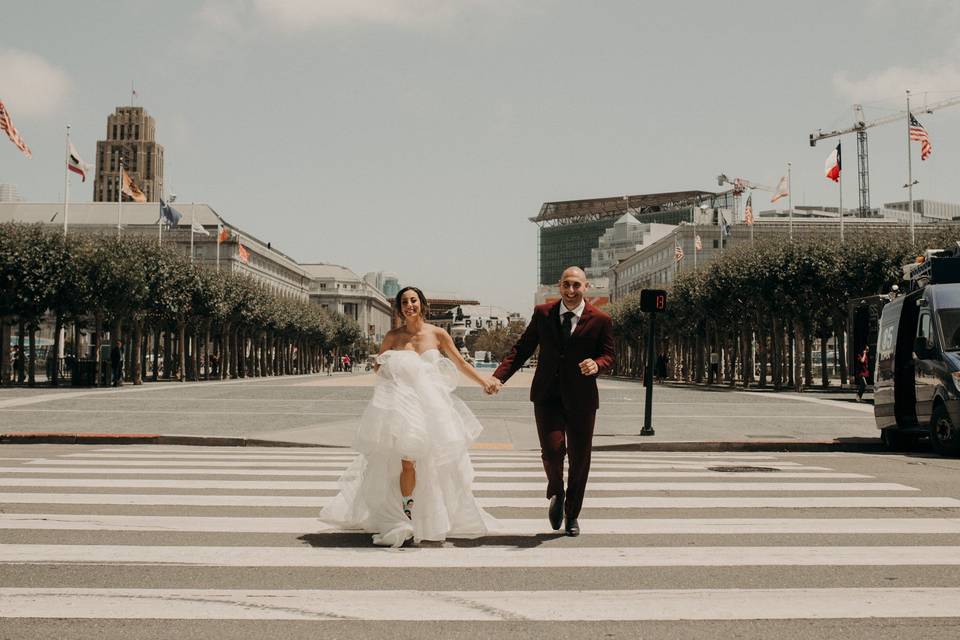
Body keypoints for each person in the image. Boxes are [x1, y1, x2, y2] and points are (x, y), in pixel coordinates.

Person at [320, 286, 500, 547]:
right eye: (404, 302)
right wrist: (388, 363)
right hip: (402, 408)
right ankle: (407, 512)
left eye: (413, 301)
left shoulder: (438, 334)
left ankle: (433, 514)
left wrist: (484, 382)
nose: (409, 306)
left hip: (433, 409)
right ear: (400, 308)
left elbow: (461, 363)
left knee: (435, 463)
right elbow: (378, 368)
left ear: (422, 304)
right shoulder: (393, 336)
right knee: (407, 461)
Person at [489, 266, 615, 537]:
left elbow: (609, 355)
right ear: (560, 285)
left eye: (576, 285)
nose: (571, 291)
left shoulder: (601, 319)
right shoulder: (543, 314)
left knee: (580, 459)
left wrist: (597, 364)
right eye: (566, 285)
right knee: (552, 451)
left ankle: (571, 514)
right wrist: (500, 377)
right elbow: (522, 348)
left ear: (586, 287)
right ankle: (556, 492)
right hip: (547, 396)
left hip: (582, 399)